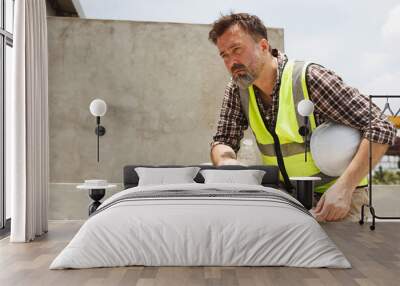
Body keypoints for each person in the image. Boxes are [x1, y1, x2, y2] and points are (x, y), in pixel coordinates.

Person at [208, 13, 396, 222]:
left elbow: (381, 126)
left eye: (237, 49)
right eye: (224, 55)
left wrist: (345, 187)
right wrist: (227, 164)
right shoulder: (238, 90)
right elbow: (223, 140)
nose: (232, 62)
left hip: (338, 201)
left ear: (263, 46)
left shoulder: (309, 78)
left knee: (344, 255)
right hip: (287, 202)